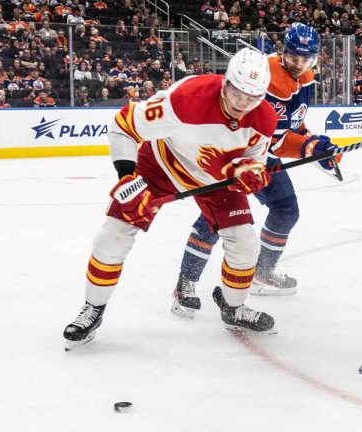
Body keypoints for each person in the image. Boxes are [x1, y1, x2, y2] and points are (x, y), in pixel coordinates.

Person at [62, 48, 278, 350]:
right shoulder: (186, 98)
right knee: (112, 235)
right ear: (225, 82)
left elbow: (253, 158)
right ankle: (93, 309)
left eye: (252, 98)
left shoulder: (265, 117)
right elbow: (123, 126)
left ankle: (233, 309)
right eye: (237, 93)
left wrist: (251, 171)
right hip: (162, 164)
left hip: (217, 178)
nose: (242, 104)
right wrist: (128, 177)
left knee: (245, 243)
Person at [170, 23, 342, 317]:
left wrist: (315, 144)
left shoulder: (306, 79)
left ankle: (262, 271)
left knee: (286, 208)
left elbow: (292, 126)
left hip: (262, 154)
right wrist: (310, 148)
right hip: (232, 152)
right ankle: (185, 283)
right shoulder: (271, 79)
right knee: (217, 219)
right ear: (283, 52)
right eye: (294, 58)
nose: (299, 65)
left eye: (307, 60)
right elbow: (274, 139)